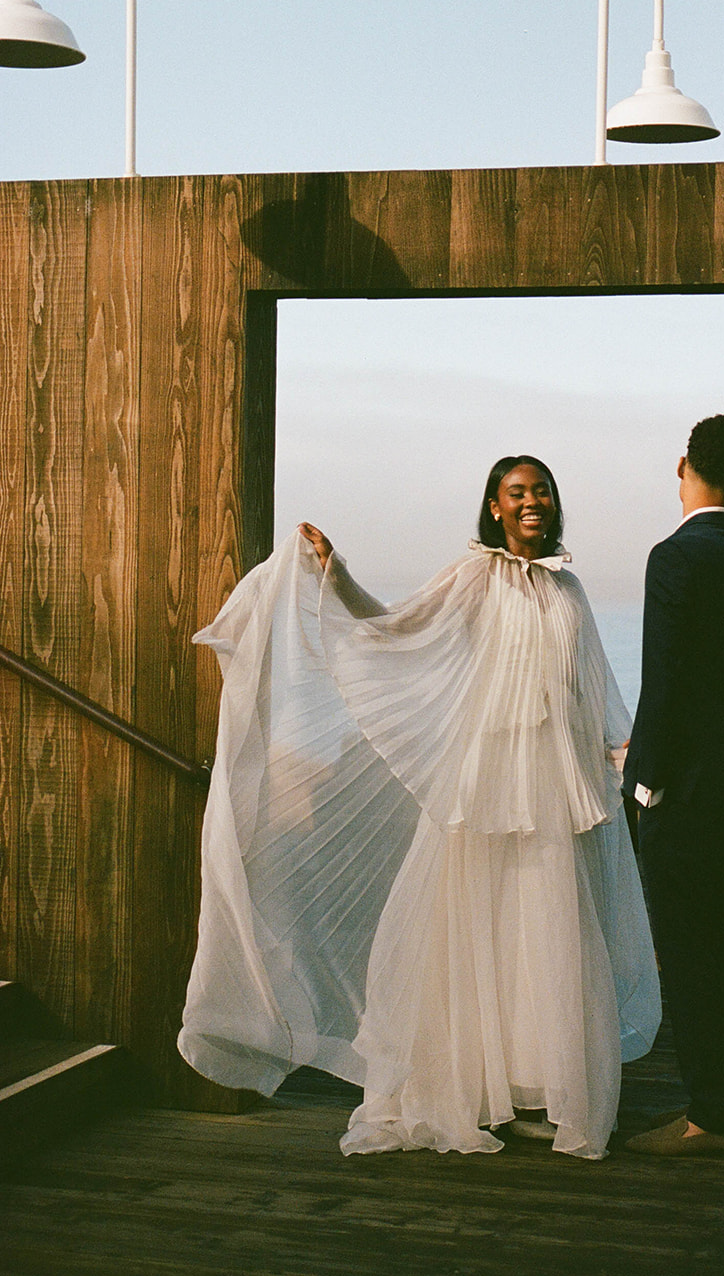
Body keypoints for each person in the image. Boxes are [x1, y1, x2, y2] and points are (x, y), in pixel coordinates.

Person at [178, 456, 660, 1161]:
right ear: (494, 507)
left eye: (541, 490)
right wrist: (334, 578)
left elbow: (592, 689)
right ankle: (469, 1092)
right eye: (516, 492)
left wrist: (619, 762)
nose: (532, 501)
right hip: (487, 780)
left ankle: (543, 1088)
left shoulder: (569, 587)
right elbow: (396, 627)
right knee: (477, 928)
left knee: (552, 927)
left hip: (554, 781)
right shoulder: (474, 575)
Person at [621, 415, 724, 1157]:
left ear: (679, 464)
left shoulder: (672, 557)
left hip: (685, 787)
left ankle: (706, 1117)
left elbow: (664, 683)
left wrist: (641, 781)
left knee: (688, 953)